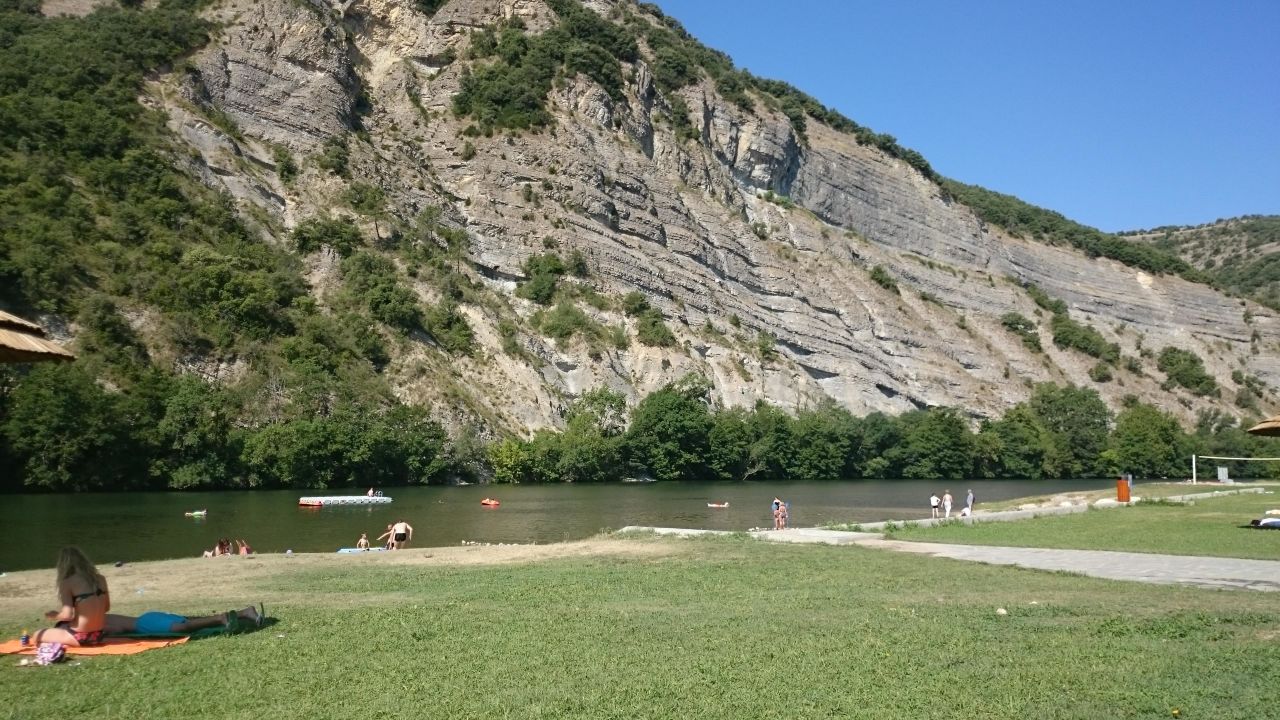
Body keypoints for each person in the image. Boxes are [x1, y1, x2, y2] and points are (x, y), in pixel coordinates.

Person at [34, 547, 109, 647]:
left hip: (79, 636)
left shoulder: (67, 582)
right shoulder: (101, 578)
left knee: (38, 634)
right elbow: (106, 607)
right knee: (62, 627)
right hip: (99, 635)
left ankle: (63, 644)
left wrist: (54, 615)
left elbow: (67, 615)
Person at [104, 605, 263, 636]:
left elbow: (118, 629)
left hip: (143, 624)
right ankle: (246, 612)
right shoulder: (101, 616)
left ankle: (220, 618)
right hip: (149, 617)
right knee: (193, 622)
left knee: (182, 628)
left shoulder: (100, 622)